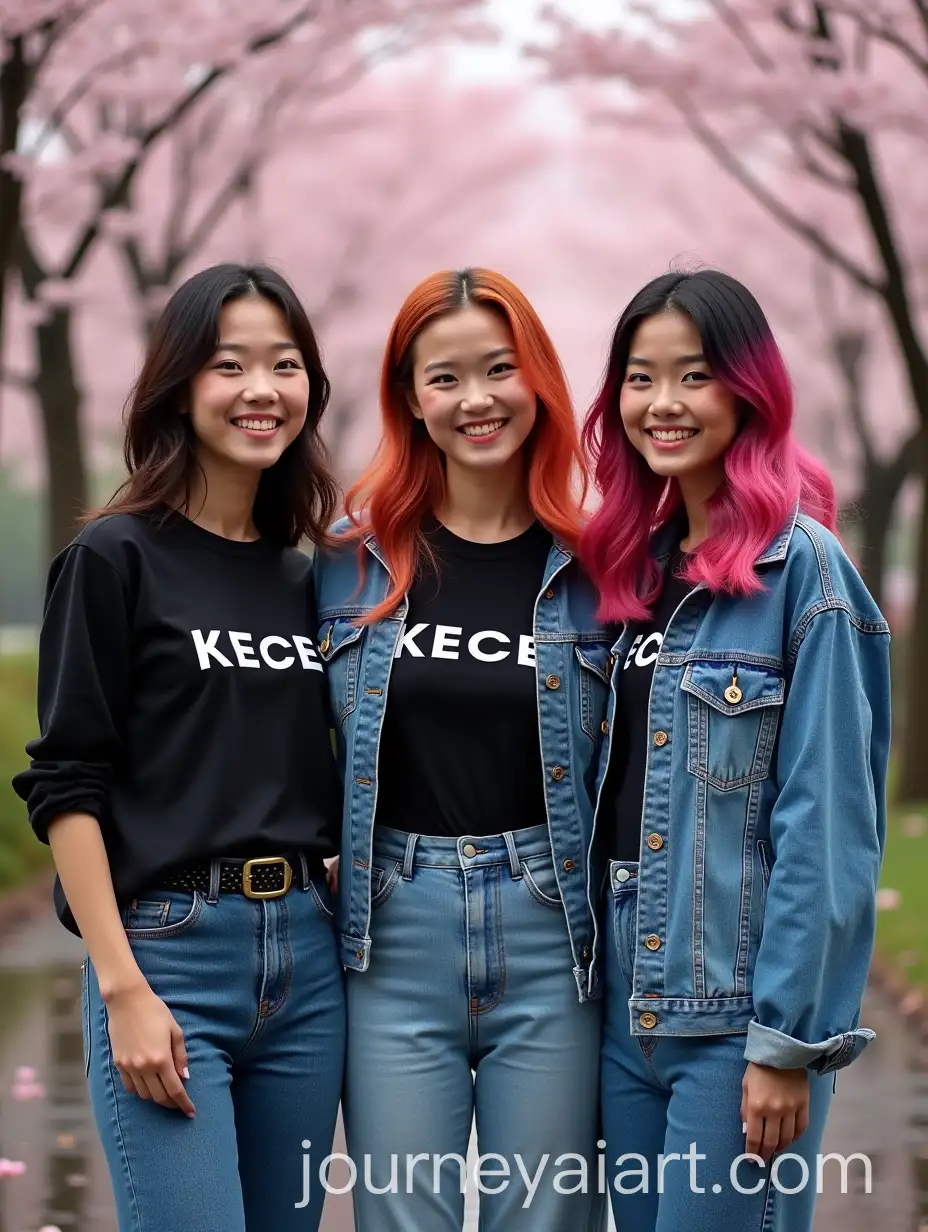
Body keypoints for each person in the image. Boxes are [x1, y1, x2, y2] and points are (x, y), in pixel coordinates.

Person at [13, 263, 345, 1232]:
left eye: (285, 365)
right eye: (228, 364)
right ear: (179, 384)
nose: (260, 389)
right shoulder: (113, 557)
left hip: (308, 959)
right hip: (169, 954)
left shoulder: (307, 577)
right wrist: (121, 985)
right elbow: (67, 781)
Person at [581, 268, 891, 1231]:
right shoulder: (631, 569)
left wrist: (786, 1043)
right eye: (640, 378)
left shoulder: (806, 574)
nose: (663, 404)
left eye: (695, 376)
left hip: (733, 1019)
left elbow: (828, 828)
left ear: (748, 390)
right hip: (622, 1008)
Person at [315, 267, 609, 1230]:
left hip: (552, 924)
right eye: (444, 378)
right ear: (410, 398)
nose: (476, 398)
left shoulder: (601, 568)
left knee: (546, 1217)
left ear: (539, 380)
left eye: (499, 368)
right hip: (392, 928)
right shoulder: (349, 563)